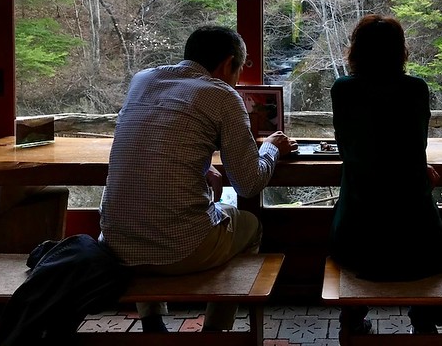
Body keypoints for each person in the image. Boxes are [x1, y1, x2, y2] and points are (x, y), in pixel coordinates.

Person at [98, 25, 297, 333]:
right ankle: (215, 331)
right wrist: (271, 148)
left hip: (115, 247)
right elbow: (248, 183)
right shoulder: (222, 95)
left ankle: (152, 321)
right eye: (239, 71)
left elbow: (156, 138)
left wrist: (199, 165)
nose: (237, 80)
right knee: (251, 227)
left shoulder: (142, 80)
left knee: (139, 215)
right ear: (227, 63)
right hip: (183, 249)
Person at [329, 14, 442, 335]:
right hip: (418, 243)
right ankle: (424, 320)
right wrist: (414, 167)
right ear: (401, 51)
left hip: (357, 242)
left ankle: (353, 321)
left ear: (356, 50)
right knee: (424, 223)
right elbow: (415, 145)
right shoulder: (415, 89)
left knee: (355, 212)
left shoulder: (343, 90)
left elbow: (352, 149)